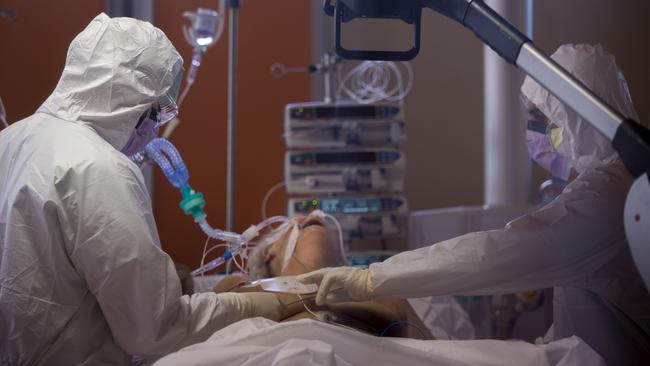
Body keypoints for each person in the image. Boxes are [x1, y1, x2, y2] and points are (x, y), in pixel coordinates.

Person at [298, 44, 650, 364]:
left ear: (574, 119)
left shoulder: (606, 198)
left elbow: (498, 252)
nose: (534, 131)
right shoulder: (612, 184)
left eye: (541, 118)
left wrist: (372, 279)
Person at [0, 13, 286, 365]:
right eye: (155, 113)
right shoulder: (99, 167)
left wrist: (186, 286)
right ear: (130, 103)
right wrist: (257, 304)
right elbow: (152, 330)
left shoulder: (13, 139)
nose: (153, 131)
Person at [213, 211, 433, 340]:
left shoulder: (384, 294)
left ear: (338, 256)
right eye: (299, 223)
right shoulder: (239, 284)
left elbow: (437, 356)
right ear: (270, 252)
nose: (313, 214)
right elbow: (198, 332)